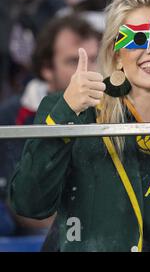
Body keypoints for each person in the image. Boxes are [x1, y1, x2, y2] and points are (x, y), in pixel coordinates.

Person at [9, 0, 150, 252]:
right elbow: (30, 203)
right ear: (116, 54)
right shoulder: (73, 112)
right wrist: (67, 111)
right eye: (138, 39)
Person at [0, 15, 100, 238]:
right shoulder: (10, 115)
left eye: (94, 59)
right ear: (47, 68)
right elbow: (22, 206)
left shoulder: (113, 110)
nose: (88, 70)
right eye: (74, 61)